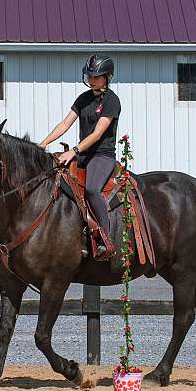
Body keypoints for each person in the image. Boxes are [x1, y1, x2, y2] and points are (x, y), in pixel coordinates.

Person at [38, 54, 121, 260]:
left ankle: (105, 239)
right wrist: (44, 143)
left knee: (92, 189)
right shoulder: (83, 98)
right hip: (83, 155)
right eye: (90, 75)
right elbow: (65, 124)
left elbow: (97, 134)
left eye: (97, 76)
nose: (92, 80)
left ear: (107, 77)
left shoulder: (112, 101)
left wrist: (73, 151)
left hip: (102, 156)